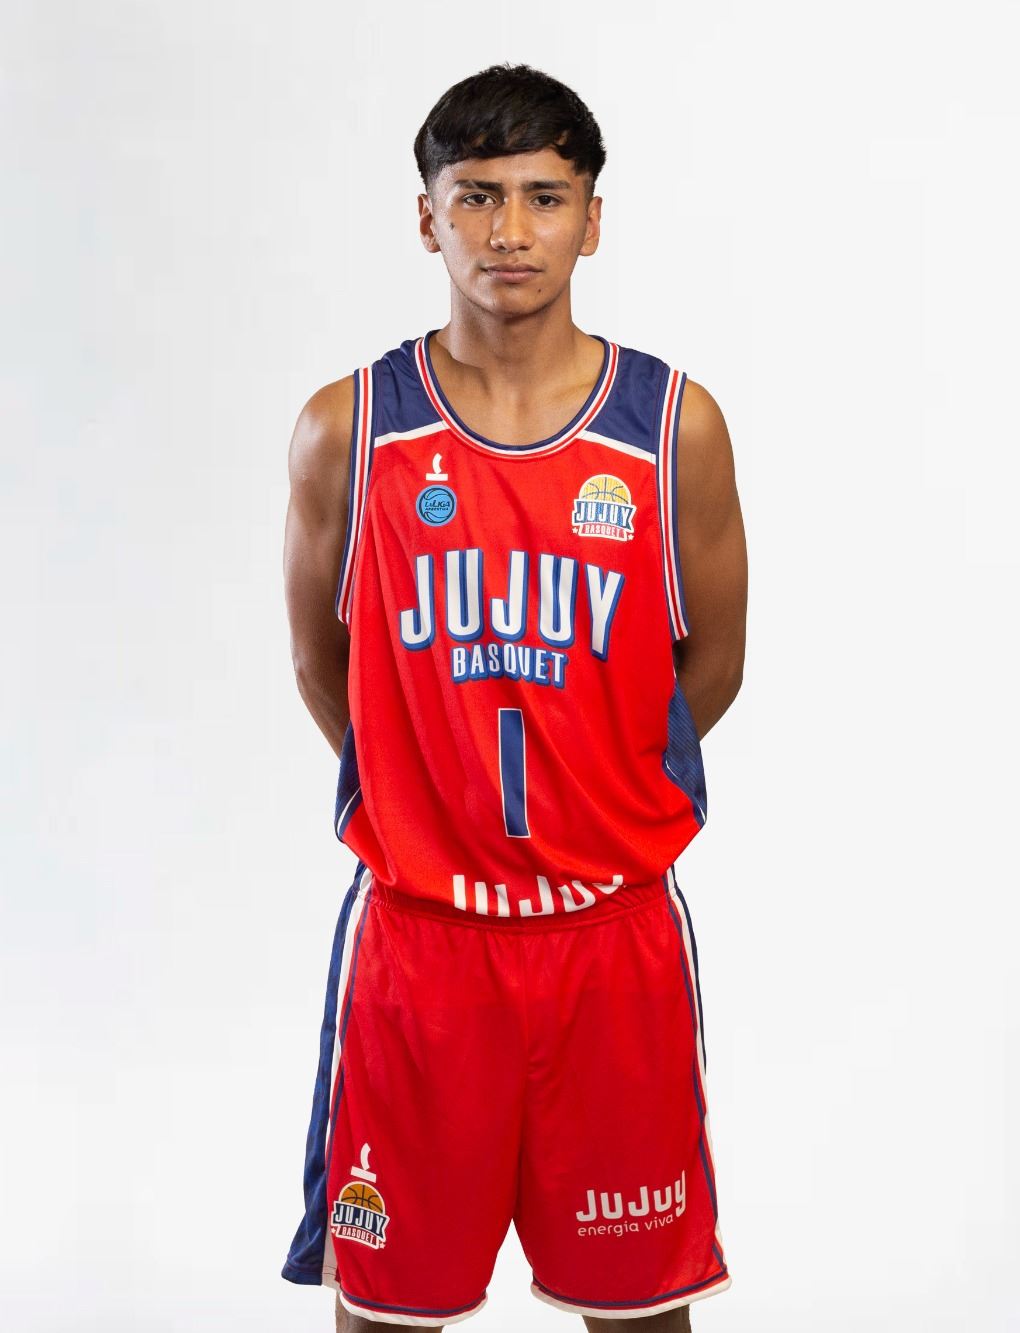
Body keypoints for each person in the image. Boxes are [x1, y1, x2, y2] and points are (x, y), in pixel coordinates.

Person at [280, 62, 748, 1333]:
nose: (508, 231)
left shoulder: (672, 427)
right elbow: (324, 668)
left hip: (610, 936)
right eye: (476, 196)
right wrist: (423, 794)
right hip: (422, 942)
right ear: (425, 217)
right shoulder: (350, 429)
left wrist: (598, 784)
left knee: (643, 1306)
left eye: (545, 197)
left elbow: (711, 667)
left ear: (592, 220)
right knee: (389, 1310)